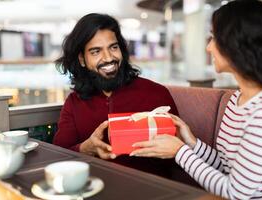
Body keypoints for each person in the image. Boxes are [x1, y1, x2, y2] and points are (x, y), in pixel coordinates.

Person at [130, 0, 262, 199]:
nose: (208, 48)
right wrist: (191, 142)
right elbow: (227, 167)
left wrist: (179, 152)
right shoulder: (237, 99)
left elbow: (234, 193)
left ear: (237, 44)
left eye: (214, 38)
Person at [53, 13, 179, 178]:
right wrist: (85, 149)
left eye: (113, 47)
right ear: (82, 59)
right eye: (96, 51)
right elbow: (59, 156)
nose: (108, 58)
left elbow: (180, 157)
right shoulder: (74, 102)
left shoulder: (156, 94)